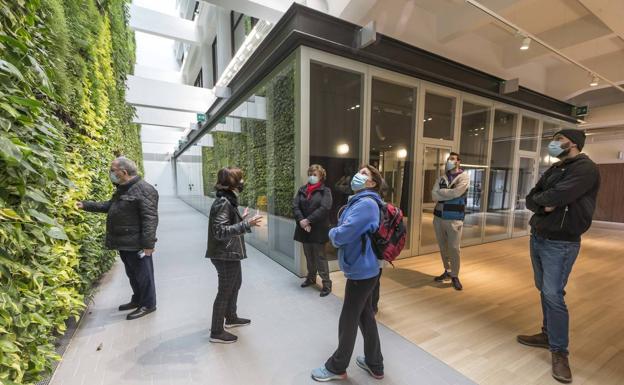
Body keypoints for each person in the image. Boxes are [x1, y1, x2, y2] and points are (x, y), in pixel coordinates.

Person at [517, 129, 599, 384]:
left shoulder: (585, 169)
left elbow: (557, 196)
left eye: (558, 140)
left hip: (561, 243)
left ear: (572, 143)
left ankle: (560, 352)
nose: (553, 144)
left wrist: (545, 200)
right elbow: (532, 197)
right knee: (544, 289)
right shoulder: (555, 168)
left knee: (553, 294)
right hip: (539, 236)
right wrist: (543, 204)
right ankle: (547, 333)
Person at [311, 165, 384, 382]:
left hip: (363, 271)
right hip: (365, 267)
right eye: (359, 172)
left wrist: (331, 232)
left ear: (372, 183)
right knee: (365, 315)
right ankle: (375, 363)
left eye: (364, 174)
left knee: (348, 318)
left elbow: (342, 235)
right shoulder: (360, 201)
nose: (358, 176)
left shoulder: (367, 204)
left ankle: (337, 367)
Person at [77, 156, 159, 321]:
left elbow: (150, 219)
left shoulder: (145, 190)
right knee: (132, 274)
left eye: (112, 170)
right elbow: (110, 206)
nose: (110, 173)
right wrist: (85, 205)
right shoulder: (123, 188)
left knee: (144, 275)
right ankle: (137, 299)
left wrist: (148, 244)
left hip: (136, 243)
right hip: (124, 241)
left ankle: (148, 304)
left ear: (124, 172)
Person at [206, 167, 262, 344]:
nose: (243, 182)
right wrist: (246, 225)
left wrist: (241, 219)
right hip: (224, 254)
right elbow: (220, 231)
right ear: (233, 183)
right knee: (225, 291)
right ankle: (216, 331)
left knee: (235, 284)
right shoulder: (223, 202)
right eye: (240, 179)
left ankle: (230, 317)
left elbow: (226, 224)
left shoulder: (227, 200)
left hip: (229, 252)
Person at [293, 164, 333, 297]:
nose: (312, 176)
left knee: (320, 257)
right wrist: (302, 221)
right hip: (304, 229)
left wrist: (308, 220)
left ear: (321, 176)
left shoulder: (325, 191)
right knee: (308, 256)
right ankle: (311, 278)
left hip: (318, 230)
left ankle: (326, 284)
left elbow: (324, 208)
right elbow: (295, 206)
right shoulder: (302, 189)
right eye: (310, 173)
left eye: (315, 174)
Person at [431, 152, 470, 291]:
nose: (450, 161)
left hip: (454, 218)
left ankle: (455, 275)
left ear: (459, 161)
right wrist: (447, 193)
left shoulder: (464, 177)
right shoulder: (442, 177)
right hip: (438, 217)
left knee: (454, 248)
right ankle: (447, 271)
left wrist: (442, 193)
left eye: (453, 159)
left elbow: (456, 193)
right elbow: (433, 195)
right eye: (449, 159)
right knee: (443, 247)